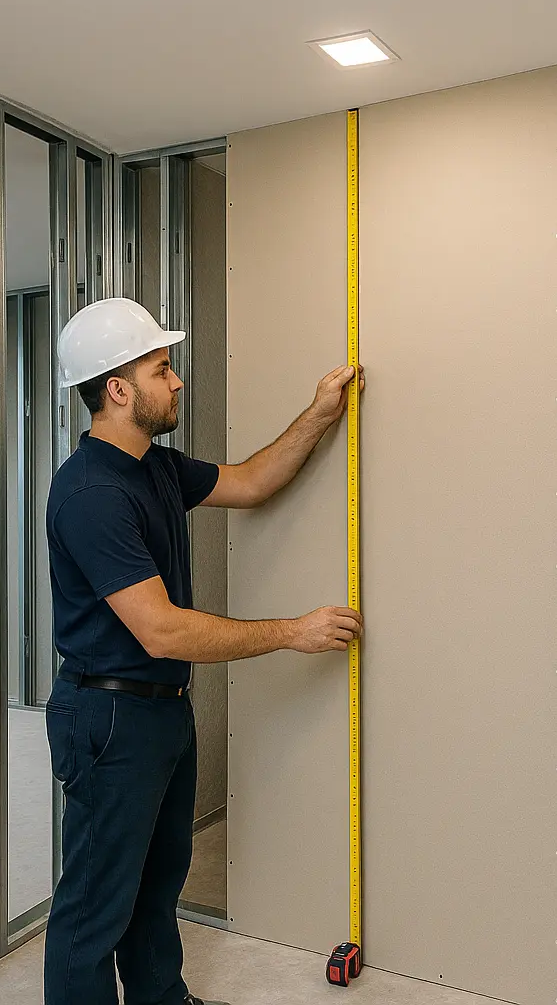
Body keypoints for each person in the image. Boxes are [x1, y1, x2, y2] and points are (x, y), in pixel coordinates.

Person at [43, 297, 364, 1005]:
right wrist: (291, 631)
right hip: (108, 718)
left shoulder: (155, 468)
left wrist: (320, 412)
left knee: (156, 885)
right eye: (162, 369)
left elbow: (251, 481)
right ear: (118, 389)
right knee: (94, 907)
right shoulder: (92, 492)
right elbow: (162, 630)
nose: (177, 380)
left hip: (161, 710)